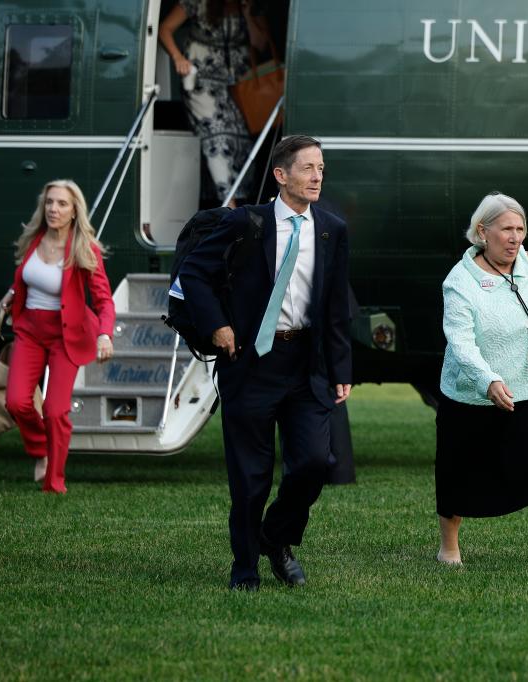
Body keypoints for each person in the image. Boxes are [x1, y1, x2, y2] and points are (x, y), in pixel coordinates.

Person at [179, 135, 352, 591]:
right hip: (250, 362)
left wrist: (341, 370)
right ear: (281, 175)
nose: (317, 176)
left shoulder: (332, 229)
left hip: (305, 365)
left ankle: (274, 538)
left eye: (321, 168)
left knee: (315, 462)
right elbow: (194, 274)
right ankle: (245, 569)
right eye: (307, 168)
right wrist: (218, 325)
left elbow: (335, 305)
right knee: (250, 475)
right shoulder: (246, 223)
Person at [435, 192, 528, 573]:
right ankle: (449, 547)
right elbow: (461, 341)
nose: (515, 237)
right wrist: (488, 380)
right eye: (506, 229)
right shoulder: (460, 281)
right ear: (483, 232)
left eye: (520, 229)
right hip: (473, 394)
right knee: (458, 471)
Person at [0, 180, 115, 494]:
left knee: (54, 410)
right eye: (49, 202)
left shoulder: (83, 248)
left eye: (62, 203)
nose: (54, 209)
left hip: (66, 337)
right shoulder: (33, 240)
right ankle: (41, 450)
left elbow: (104, 301)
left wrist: (105, 334)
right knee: (16, 402)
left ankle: (54, 481)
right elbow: (26, 277)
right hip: (30, 332)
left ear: (74, 210)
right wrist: (12, 293)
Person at [158, 0, 268, 206]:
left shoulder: (251, 6)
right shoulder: (197, 2)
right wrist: (178, 57)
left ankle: (237, 199)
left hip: (239, 84)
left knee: (241, 140)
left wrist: (247, 14)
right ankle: (230, 205)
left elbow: (260, 43)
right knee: (216, 135)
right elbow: (165, 28)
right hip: (202, 81)